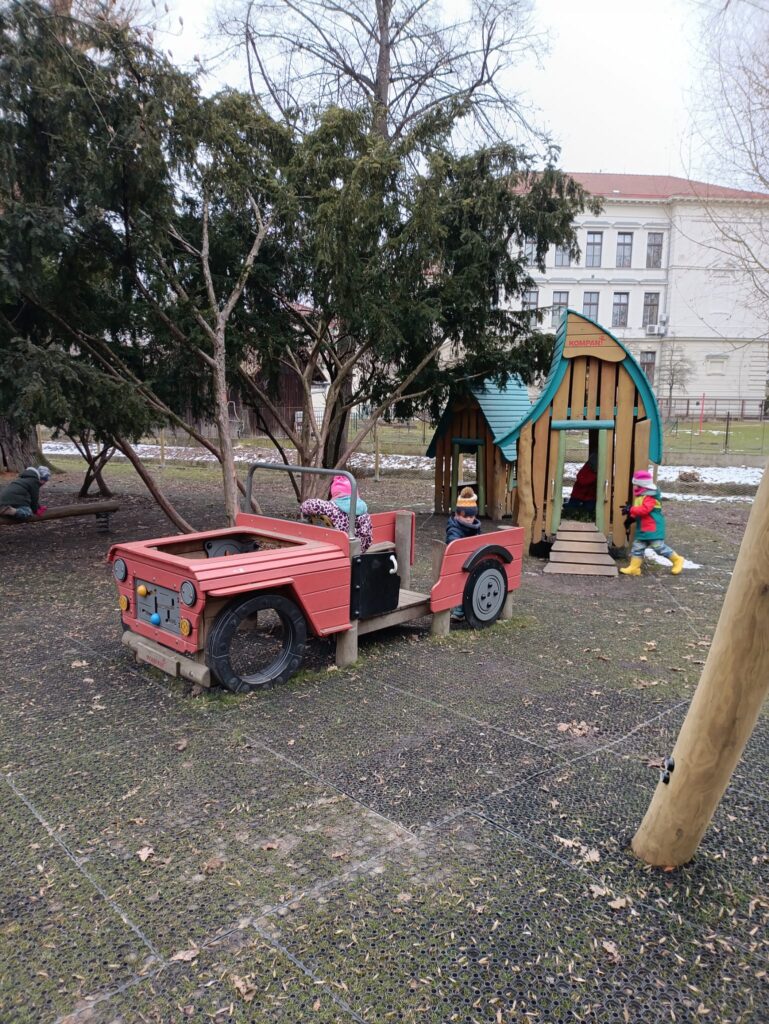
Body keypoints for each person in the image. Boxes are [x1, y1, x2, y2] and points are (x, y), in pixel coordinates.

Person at [620, 469, 686, 576]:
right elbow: (639, 510)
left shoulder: (650, 496)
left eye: (635, 484)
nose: (634, 487)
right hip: (643, 528)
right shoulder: (641, 496)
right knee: (637, 547)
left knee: (658, 547)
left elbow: (645, 510)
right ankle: (634, 568)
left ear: (641, 485)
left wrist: (630, 509)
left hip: (653, 527)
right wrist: (631, 518)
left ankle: (677, 560)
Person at [300, 475, 373, 552]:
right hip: (356, 550)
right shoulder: (364, 512)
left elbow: (306, 505)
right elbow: (367, 537)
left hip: (334, 546)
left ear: (334, 492)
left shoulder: (331, 508)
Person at [446, 486, 482, 621]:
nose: (468, 519)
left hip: (471, 561)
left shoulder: (475, 527)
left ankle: (468, 608)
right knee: (462, 582)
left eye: (471, 516)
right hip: (457, 563)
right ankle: (459, 610)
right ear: (457, 515)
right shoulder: (454, 528)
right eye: (465, 516)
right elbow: (453, 543)